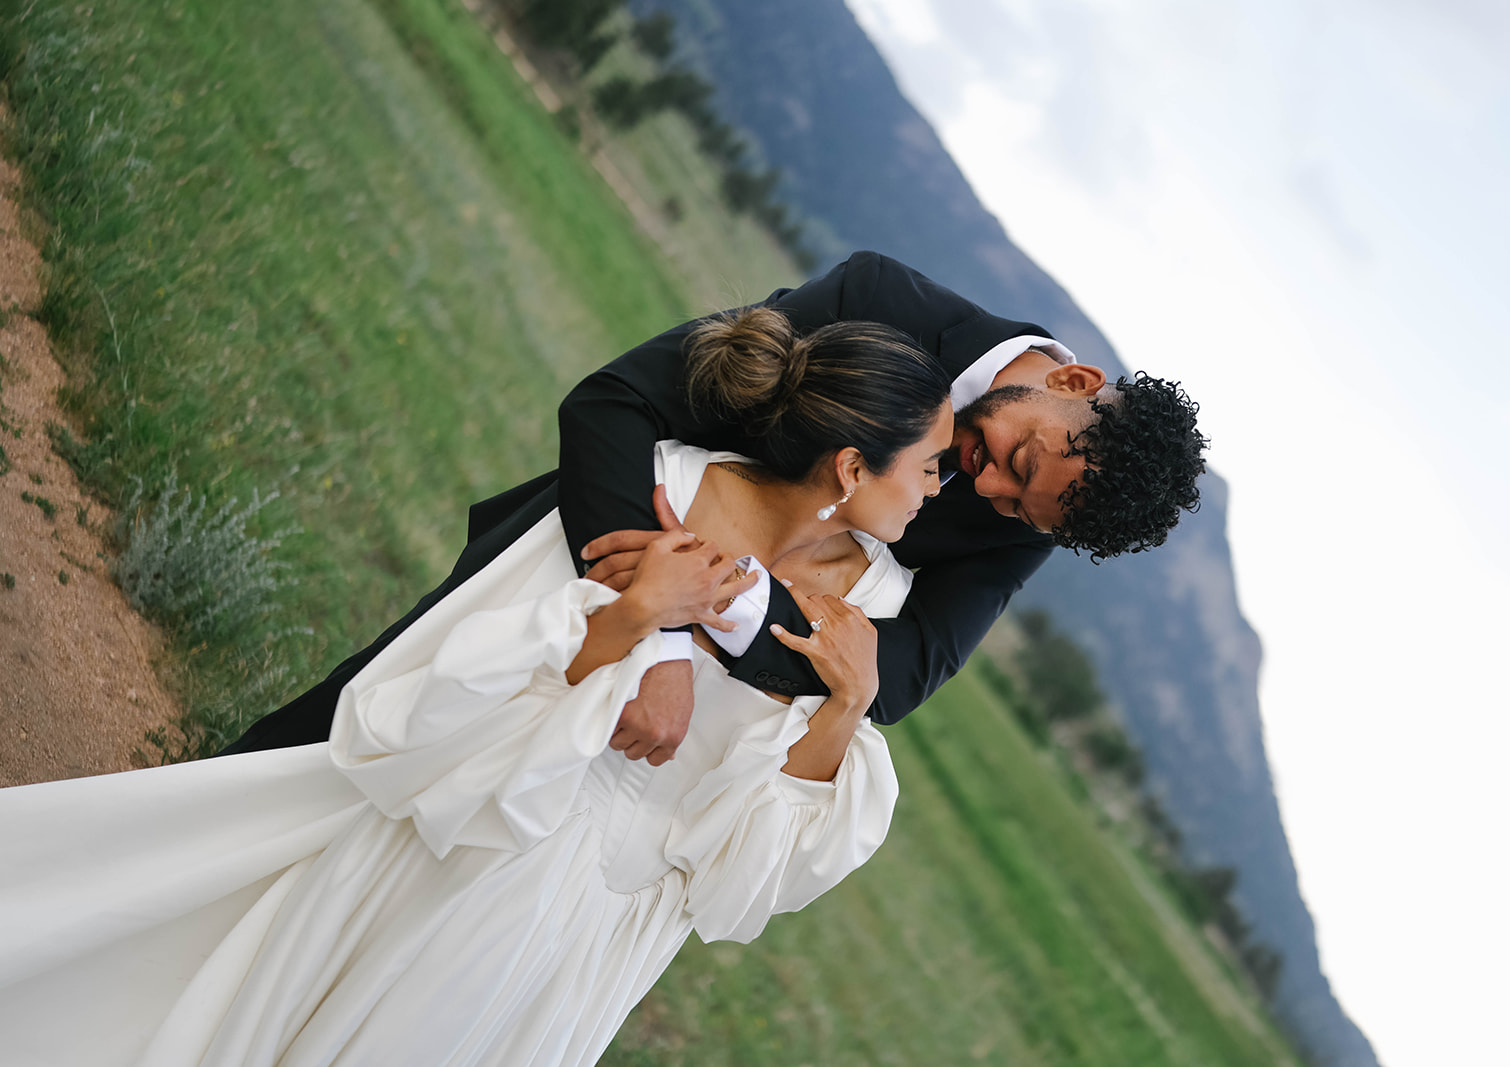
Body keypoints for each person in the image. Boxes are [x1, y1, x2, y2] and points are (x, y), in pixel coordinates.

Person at [0, 309, 952, 1065]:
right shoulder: (657, 486)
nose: (940, 487)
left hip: (603, 934)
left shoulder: (876, 605)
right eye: (930, 464)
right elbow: (460, 690)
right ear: (852, 464)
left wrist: (847, 704)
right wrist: (636, 621)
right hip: (478, 842)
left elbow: (755, 870)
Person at [224, 250, 1206, 764]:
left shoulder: (1038, 501)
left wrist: (720, 619)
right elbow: (617, 404)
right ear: (1071, 378)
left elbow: (893, 675)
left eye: (1022, 510)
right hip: (559, 572)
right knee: (337, 739)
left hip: (668, 728)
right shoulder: (879, 299)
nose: (987, 492)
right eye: (1015, 458)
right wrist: (656, 631)